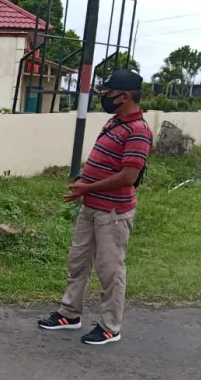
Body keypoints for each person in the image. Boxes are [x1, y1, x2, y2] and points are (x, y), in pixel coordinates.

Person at [37, 69, 153, 346]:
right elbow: (103, 160)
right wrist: (83, 181)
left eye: (109, 92)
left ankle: (110, 327)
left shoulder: (138, 131)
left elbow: (128, 176)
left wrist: (87, 188)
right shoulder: (115, 123)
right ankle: (69, 313)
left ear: (125, 96)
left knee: (110, 270)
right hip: (91, 206)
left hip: (113, 213)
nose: (105, 97)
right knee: (78, 262)